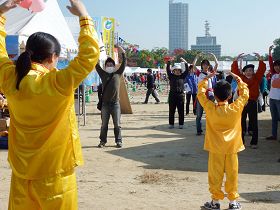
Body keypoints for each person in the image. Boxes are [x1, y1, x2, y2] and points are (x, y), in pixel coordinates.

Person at [0, 0, 99, 209]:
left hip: (22, 172)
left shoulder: (11, 79)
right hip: (56, 174)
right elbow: (89, 57)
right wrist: (84, 16)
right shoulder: (58, 83)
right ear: (53, 57)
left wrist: (1, 12)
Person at [198, 72, 249, 210]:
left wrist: (206, 79)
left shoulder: (210, 108)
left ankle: (215, 202)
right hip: (232, 148)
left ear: (214, 95)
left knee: (215, 174)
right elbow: (245, 94)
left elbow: (200, 93)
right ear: (230, 95)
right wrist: (238, 78)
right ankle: (233, 202)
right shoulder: (236, 108)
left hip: (215, 148)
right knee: (232, 174)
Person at [231, 53, 266, 149]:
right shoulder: (241, 79)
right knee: (241, 122)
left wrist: (260, 58)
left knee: (254, 123)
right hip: (241, 103)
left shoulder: (257, 78)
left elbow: (261, 69)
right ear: (244, 72)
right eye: (246, 71)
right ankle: (241, 141)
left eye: (251, 70)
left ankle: (254, 142)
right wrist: (236, 59)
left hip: (252, 102)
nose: (249, 72)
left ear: (253, 71)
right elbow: (235, 71)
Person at [96, 46, 126, 148]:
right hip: (105, 104)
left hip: (115, 104)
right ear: (105, 66)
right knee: (104, 124)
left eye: (111, 64)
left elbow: (124, 62)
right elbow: (96, 65)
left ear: (114, 65)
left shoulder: (118, 73)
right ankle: (102, 141)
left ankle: (118, 141)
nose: (109, 65)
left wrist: (122, 53)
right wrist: (97, 52)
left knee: (117, 124)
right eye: (107, 64)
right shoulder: (103, 74)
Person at [193, 52, 218, 135]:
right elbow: (193, 65)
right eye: (204, 64)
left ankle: (210, 130)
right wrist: (197, 56)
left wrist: (213, 56)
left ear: (209, 65)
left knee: (210, 114)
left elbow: (217, 64)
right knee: (199, 115)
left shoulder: (211, 73)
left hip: (210, 95)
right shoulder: (199, 73)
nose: (205, 66)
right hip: (201, 95)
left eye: (207, 64)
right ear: (202, 65)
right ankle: (199, 131)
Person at [166, 58, 189, 129]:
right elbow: (168, 69)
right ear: (174, 71)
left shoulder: (182, 76)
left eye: (179, 70)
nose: (177, 71)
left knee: (181, 110)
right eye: (176, 70)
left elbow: (187, 70)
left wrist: (185, 62)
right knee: (171, 110)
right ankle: (171, 124)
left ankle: (181, 124)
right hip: (172, 95)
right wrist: (169, 62)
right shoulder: (171, 76)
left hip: (181, 95)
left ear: (180, 71)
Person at [266, 45, 280, 141]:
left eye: (278, 65)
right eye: (275, 65)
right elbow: (271, 63)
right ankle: (274, 135)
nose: (276, 67)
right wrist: (269, 52)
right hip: (272, 99)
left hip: (279, 100)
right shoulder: (274, 74)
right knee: (274, 118)